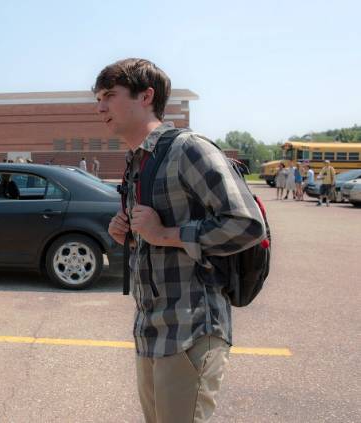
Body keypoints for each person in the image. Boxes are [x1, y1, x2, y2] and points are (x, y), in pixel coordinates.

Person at [96, 58, 265, 423]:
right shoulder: (138, 160)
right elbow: (153, 232)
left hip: (192, 329)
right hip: (151, 329)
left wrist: (165, 234)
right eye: (99, 98)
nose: (101, 106)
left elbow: (247, 224)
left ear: (146, 96)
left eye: (110, 95)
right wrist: (126, 229)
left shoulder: (188, 149)